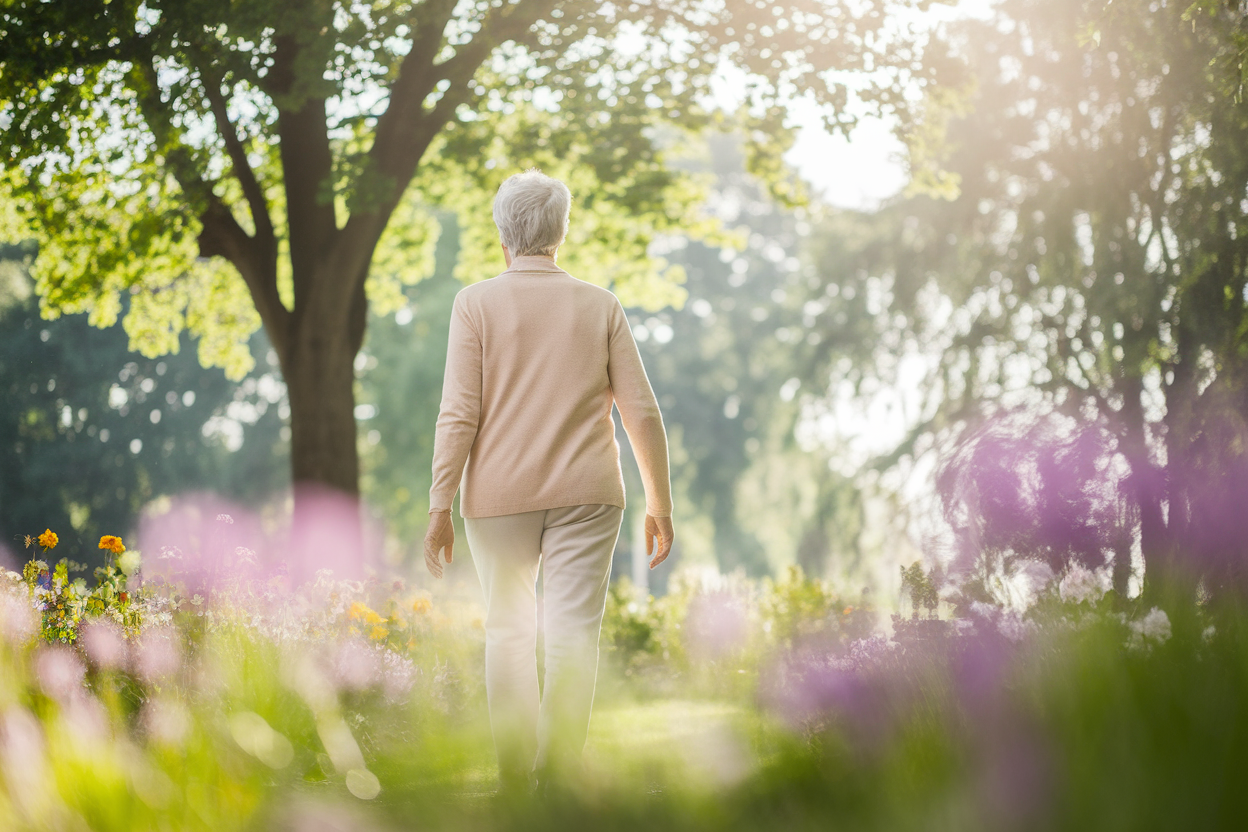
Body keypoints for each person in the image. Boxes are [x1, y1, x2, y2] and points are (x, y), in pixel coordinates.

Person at [423, 169, 674, 792]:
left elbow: (459, 413)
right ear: (560, 234)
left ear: (501, 235)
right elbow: (640, 410)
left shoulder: (474, 304)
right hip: (589, 494)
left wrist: (439, 506)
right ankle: (559, 774)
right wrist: (659, 503)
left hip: (498, 497)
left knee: (508, 630)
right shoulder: (600, 304)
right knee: (571, 631)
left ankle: (513, 777)